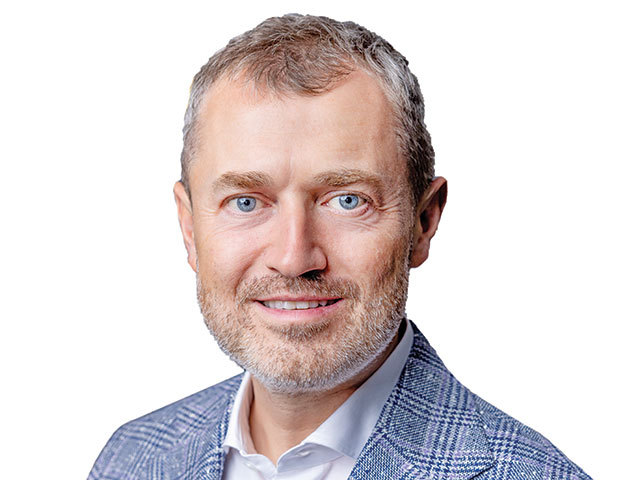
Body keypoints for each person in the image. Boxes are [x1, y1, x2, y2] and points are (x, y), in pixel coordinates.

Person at [89, 14, 591, 480]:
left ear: (422, 222)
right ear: (190, 229)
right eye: (246, 202)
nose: (293, 258)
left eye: (347, 200)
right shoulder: (130, 458)